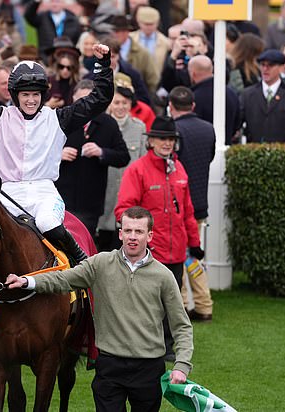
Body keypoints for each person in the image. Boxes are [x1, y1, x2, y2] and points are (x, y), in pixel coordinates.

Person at [5, 206, 193, 412]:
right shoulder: (100, 264)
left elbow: (181, 326)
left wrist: (181, 366)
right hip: (109, 366)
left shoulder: (163, 276)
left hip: (148, 369)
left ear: (149, 235)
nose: (132, 237)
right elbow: (61, 279)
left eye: (139, 232)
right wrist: (27, 281)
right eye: (128, 230)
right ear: (120, 233)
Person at [0, 36, 114, 265]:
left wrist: (103, 65)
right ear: (15, 95)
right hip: (7, 193)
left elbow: (100, 99)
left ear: (42, 95)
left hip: (43, 193)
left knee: (48, 222)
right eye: (25, 95)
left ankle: (82, 263)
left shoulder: (59, 118)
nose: (31, 100)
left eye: (35, 95)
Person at [114, 115, 203, 360]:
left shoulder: (179, 169)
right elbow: (123, 209)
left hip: (176, 251)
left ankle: (168, 348)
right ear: (151, 140)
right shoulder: (137, 170)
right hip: (150, 252)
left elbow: (187, 211)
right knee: (146, 303)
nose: (167, 143)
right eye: (162, 138)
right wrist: (140, 239)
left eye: (171, 139)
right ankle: (143, 345)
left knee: (172, 302)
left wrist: (194, 243)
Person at [55, 79, 130, 236]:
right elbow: (36, 155)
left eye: (88, 100)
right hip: (59, 200)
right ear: (72, 99)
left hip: (90, 203)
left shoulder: (108, 123)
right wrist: (57, 155)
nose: (83, 105)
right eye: (80, 100)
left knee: (83, 247)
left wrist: (102, 152)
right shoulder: (59, 120)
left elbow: (123, 157)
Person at [168, 86, 215, 322]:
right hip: (200, 203)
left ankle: (184, 304)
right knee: (192, 256)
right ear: (193, 106)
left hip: (179, 204)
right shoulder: (209, 129)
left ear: (171, 106)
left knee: (179, 255)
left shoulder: (174, 132)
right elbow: (211, 157)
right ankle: (203, 303)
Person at [97, 76, 147, 251]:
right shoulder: (101, 125)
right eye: (116, 102)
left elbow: (143, 161)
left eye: (125, 103)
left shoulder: (139, 127)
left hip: (129, 197)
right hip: (105, 196)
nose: (120, 107)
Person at [239, 49, 285, 143]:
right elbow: (237, 123)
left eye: (270, 65)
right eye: (263, 65)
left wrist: (280, 153)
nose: (265, 69)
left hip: (282, 154)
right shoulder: (247, 94)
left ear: (281, 68)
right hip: (253, 153)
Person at [188, 55, 240, 145]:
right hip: (226, 148)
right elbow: (237, 123)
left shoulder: (194, 98)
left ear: (193, 74)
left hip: (201, 150)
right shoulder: (231, 93)